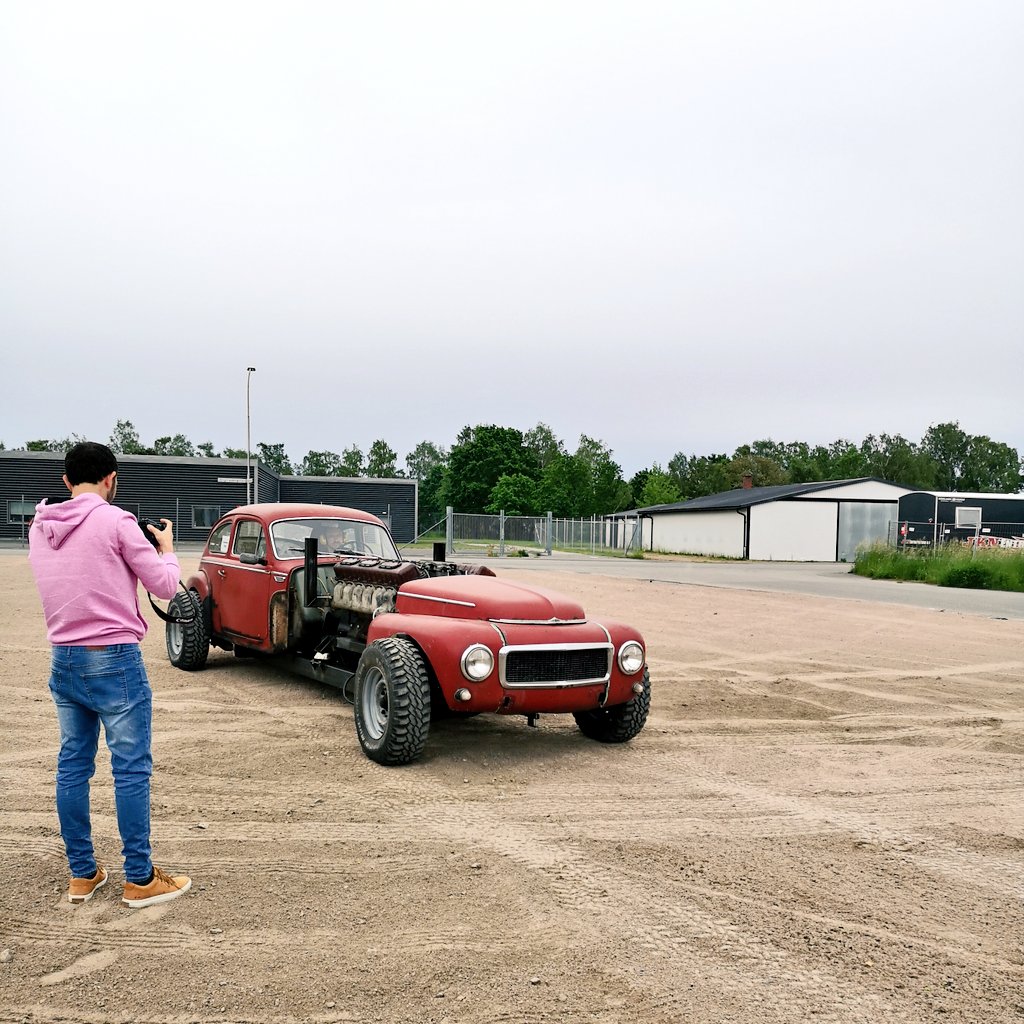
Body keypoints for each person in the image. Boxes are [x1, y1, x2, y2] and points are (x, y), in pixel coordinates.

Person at [28, 441, 192, 908]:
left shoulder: (40, 526)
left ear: (65, 481)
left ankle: (82, 873)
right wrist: (167, 549)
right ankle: (139, 877)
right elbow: (164, 585)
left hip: (64, 657)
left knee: (73, 766)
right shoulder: (115, 520)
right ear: (111, 478)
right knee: (131, 770)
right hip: (114, 657)